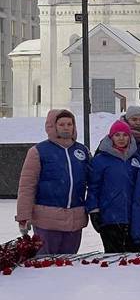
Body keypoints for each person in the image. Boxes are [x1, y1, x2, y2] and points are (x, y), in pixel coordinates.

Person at [15, 109, 91, 255]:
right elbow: (27, 186)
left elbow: (93, 182)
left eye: (69, 124)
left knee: (68, 265)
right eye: (62, 124)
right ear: (52, 126)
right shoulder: (39, 151)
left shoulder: (82, 151)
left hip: (74, 222)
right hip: (46, 221)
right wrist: (23, 215)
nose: (66, 127)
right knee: (46, 265)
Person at [86, 120, 140, 251]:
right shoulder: (100, 160)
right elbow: (93, 187)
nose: (121, 138)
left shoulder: (137, 159)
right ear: (111, 137)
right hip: (109, 217)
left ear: (130, 137)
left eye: (125, 135)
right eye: (117, 135)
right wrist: (93, 210)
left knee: (135, 260)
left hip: (134, 218)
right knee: (114, 260)